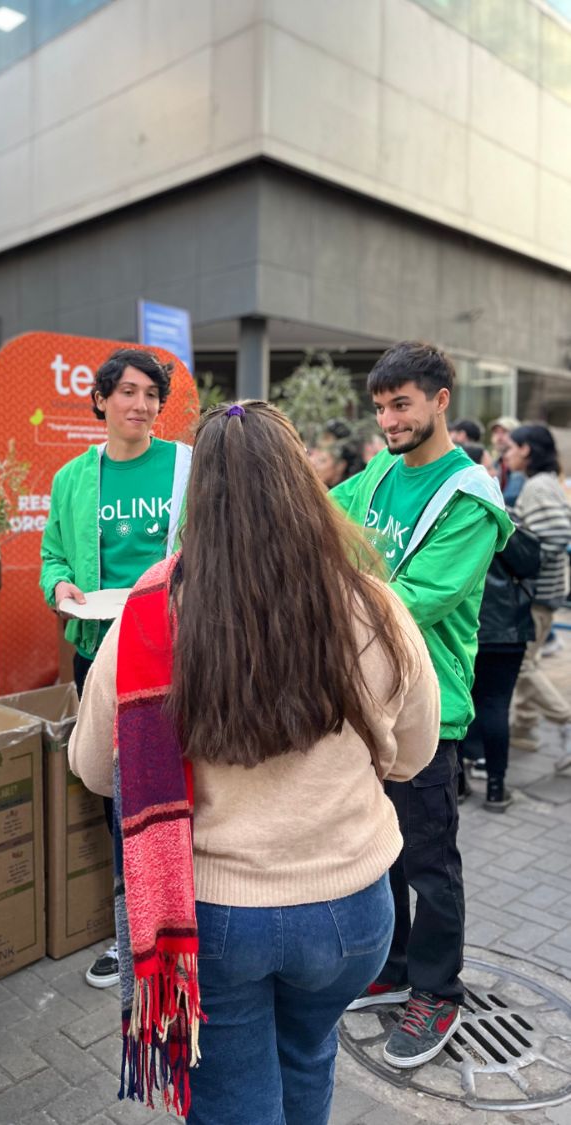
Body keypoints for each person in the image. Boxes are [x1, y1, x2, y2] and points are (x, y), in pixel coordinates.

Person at [69, 401, 439, 1123]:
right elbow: (415, 752)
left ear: (197, 495)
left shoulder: (147, 614)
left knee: (235, 1102)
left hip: (211, 917)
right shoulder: (376, 607)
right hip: (354, 907)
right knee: (308, 1057)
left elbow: (92, 767)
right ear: (303, 483)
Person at [332, 341, 512, 1068]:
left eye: (401, 403)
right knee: (387, 849)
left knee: (431, 859)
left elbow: (420, 599)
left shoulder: (471, 497)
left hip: (427, 708)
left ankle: (438, 989)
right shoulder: (379, 471)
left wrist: (321, 604)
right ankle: (397, 963)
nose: (388, 420)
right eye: (379, 407)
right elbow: (324, 518)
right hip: (369, 696)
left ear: (442, 400)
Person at [40, 346, 192, 989]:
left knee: (185, 780)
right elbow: (52, 555)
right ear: (100, 400)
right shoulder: (74, 477)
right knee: (116, 785)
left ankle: (189, 916)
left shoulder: (189, 466)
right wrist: (61, 588)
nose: (142, 405)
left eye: (152, 394)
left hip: (178, 647)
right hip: (99, 648)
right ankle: (129, 927)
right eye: (128, 392)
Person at [456, 443, 539, 811]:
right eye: (489, 467)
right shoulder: (498, 516)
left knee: (459, 705)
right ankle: (495, 788)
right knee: (494, 706)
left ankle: (457, 783)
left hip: (463, 627)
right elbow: (528, 563)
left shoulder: (446, 519)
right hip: (505, 630)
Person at [503, 424, 571, 765]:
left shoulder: (538, 486)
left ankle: (565, 720)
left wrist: (524, 558)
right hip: (545, 594)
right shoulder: (545, 483)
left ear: (526, 449)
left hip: (537, 596)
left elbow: (558, 532)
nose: (506, 454)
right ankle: (524, 729)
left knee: (522, 667)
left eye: (510, 447)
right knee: (529, 661)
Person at [490, 415, 524, 506]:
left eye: (504, 432)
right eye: (496, 432)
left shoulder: (522, 465)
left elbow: (511, 498)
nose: (499, 437)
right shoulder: (494, 464)